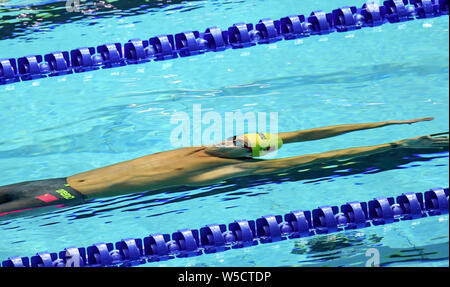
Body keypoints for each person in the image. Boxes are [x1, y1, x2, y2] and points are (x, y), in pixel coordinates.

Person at [0, 117, 448, 218]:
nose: (226, 141)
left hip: (66, 196)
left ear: (245, 157)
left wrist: (397, 142)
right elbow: (306, 134)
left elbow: (319, 155)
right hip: (52, 181)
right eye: (231, 136)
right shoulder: (202, 149)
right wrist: (386, 120)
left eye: (237, 144)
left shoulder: (229, 172)